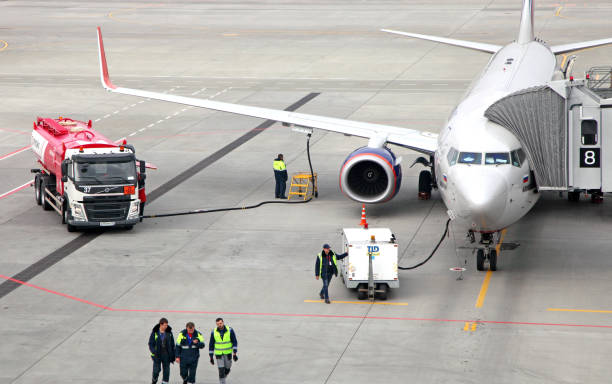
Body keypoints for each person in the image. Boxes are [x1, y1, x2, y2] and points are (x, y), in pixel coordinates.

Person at [209, 318, 238, 384]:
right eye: (218, 324)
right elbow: (211, 344)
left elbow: (234, 341)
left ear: (223, 322)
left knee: (227, 368)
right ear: (216, 324)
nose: (220, 325)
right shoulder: (213, 332)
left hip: (228, 353)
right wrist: (211, 357)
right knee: (221, 370)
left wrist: (234, 353)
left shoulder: (230, 330)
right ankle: (222, 382)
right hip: (218, 354)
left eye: (220, 323)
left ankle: (225, 375)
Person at [148, 317, 175, 384]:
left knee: (166, 371)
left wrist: (173, 354)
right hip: (157, 354)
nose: (166, 326)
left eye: (167, 325)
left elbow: (172, 344)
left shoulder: (169, 333)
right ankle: (154, 380)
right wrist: (153, 351)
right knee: (156, 370)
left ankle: (164, 382)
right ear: (161, 324)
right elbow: (150, 343)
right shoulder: (155, 332)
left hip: (166, 354)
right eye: (165, 325)